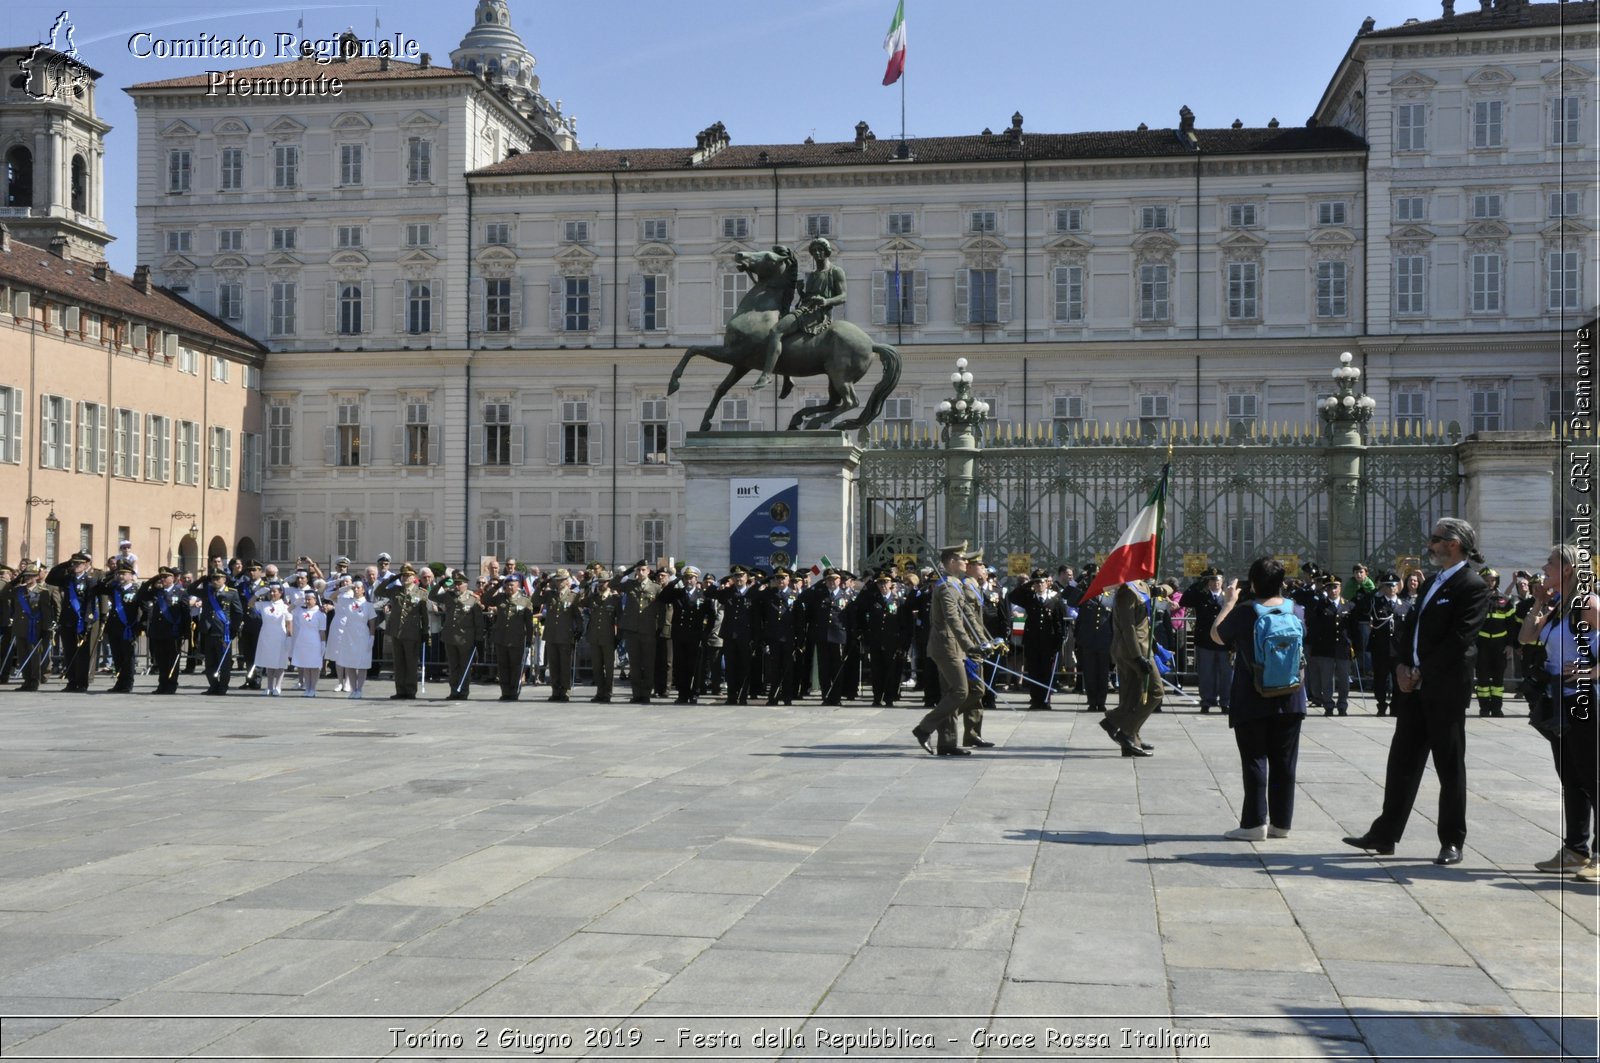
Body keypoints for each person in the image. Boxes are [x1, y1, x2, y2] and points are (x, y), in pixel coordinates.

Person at [1344, 517, 1491, 865]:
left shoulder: (1472, 585)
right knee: (1402, 763)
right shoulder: (1431, 583)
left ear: (1453, 544)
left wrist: (1422, 670)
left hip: (1444, 689)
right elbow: (1408, 628)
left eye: (1436, 539)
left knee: (1449, 766)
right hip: (1411, 687)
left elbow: (1461, 640)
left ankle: (1452, 840)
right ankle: (1385, 834)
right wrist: (1399, 666)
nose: (1431, 545)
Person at [1212, 557, 1308, 840]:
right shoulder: (1298, 610)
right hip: (1291, 696)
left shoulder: (1245, 612)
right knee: (1285, 761)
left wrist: (1228, 602)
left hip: (1252, 695)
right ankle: (1281, 824)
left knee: (1255, 759)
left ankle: (1254, 824)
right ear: (1282, 583)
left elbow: (1217, 635)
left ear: (1253, 584)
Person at [1520, 545, 1598, 881]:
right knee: (1571, 778)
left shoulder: (1588, 604)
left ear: (1567, 569)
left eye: (1550, 563)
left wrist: (1591, 673)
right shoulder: (1557, 605)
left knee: (1593, 778)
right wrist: (1539, 601)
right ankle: (1575, 850)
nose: (1544, 567)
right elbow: (1526, 637)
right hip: (1558, 702)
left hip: (1584, 700)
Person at [912, 544, 985, 756]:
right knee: (962, 691)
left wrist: (982, 642)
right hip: (946, 646)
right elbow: (953, 619)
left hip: (954, 646)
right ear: (952, 562)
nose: (966, 562)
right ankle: (924, 728)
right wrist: (970, 646)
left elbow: (969, 616)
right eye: (962, 559)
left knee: (955, 693)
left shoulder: (955, 584)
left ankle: (947, 743)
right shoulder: (946, 586)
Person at [754, 237, 846, 390]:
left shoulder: (836, 271)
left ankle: (767, 375)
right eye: (814, 250)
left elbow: (843, 296)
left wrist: (826, 301)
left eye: (820, 250)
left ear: (827, 252)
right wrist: (800, 291)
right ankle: (787, 378)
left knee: (776, 331)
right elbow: (807, 298)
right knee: (782, 328)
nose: (817, 253)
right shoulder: (813, 274)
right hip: (805, 309)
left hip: (816, 315)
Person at [1100, 579, 1163, 757]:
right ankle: (1123, 729)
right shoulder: (1127, 592)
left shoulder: (1141, 586)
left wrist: (1163, 590)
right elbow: (1129, 628)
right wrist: (1137, 656)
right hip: (1134, 652)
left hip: (1143, 647)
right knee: (1156, 692)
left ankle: (1130, 738)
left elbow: (1166, 589)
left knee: (1132, 697)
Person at [1009, 569, 1067, 709]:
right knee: (1034, 671)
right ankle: (1035, 700)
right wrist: (1028, 584)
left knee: (1047, 671)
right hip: (1032, 641)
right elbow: (1013, 597)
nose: (1039, 585)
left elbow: (1059, 621)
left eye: (1041, 582)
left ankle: (1046, 700)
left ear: (1047, 583)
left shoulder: (1055, 598)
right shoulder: (1029, 597)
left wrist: (1059, 641)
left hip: (1049, 641)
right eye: (1036, 583)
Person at [46, 552, 98, 691]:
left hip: (82, 621)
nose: (75, 566)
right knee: (69, 652)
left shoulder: (90, 581)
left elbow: (90, 603)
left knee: (82, 653)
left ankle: (82, 682)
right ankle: (71, 681)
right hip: (68, 620)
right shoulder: (68, 578)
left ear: (86, 565)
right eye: (73, 563)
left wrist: (88, 620)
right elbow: (50, 578)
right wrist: (66, 563)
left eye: (78, 563)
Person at [189, 570, 244, 695]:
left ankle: (223, 687)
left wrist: (233, 630)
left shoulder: (231, 593)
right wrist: (201, 580)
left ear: (224, 579)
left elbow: (238, 613)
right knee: (210, 662)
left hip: (223, 633)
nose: (215, 581)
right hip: (209, 632)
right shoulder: (207, 592)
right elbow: (191, 590)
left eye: (218, 578)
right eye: (213, 578)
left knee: (224, 663)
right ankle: (213, 686)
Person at [616, 560, 663, 704]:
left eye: (643, 570)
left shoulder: (656, 588)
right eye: (638, 570)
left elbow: (661, 610)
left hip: (649, 631)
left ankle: (646, 693)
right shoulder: (630, 585)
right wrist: (627, 571)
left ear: (648, 571)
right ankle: (636, 694)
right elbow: (612, 584)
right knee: (635, 665)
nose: (641, 572)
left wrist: (659, 629)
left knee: (648, 664)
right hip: (632, 631)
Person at [377, 564, 428, 700]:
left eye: (408, 575)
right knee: (398, 663)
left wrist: (425, 632)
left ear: (414, 578)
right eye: (403, 575)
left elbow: (425, 615)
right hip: (396, 631)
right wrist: (392, 579)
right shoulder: (395, 590)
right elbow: (379, 591)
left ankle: (410, 690)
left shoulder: (421, 593)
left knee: (410, 663)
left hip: (412, 632)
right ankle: (400, 690)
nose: (405, 578)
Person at [484, 574, 536, 701]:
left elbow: (528, 623)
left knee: (515, 666)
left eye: (512, 585)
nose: (509, 587)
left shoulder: (525, 601)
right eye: (507, 585)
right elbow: (485, 599)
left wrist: (530, 639)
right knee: (503, 666)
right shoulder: (500, 597)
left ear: (518, 585)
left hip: (516, 639)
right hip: (501, 638)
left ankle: (514, 691)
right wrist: (496, 586)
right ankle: (505, 691)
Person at [1474, 568, 1518, 717]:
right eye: (1486, 580)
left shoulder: (1504, 600)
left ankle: (1497, 708)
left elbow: (1512, 625)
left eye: (1492, 580)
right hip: (1482, 644)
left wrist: (1510, 645)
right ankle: (1484, 708)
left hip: (1500, 645)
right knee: (1482, 678)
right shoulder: (1476, 599)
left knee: (1498, 679)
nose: (1489, 583)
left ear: (1496, 581)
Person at [1186, 569, 1230, 714]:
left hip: (1224, 642)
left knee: (1225, 673)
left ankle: (1225, 701)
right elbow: (1184, 601)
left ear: (1223, 581)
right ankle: (1207, 701)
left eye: (1218, 580)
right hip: (1205, 641)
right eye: (1212, 580)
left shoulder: (1228, 598)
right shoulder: (1201, 596)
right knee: (1206, 672)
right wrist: (1197, 584)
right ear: (1207, 582)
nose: (1216, 582)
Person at [325, 580, 379, 698]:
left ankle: (359, 689)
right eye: (354, 588)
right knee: (349, 663)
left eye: (359, 588)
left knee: (361, 664)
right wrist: (344, 588)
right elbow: (331, 596)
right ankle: (353, 689)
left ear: (363, 590)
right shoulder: (346, 601)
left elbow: (372, 623)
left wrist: (372, 637)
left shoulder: (368, 605)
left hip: (362, 636)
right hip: (348, 635)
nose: (356, 589)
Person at [137, 567, 187, 694]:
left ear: (173, 578)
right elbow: (141, 594)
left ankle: (171, 685)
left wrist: (186, 631)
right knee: (161, 660)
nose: (163, 579)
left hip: (173, 632)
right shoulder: (156, 592)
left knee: (172, 660)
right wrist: (150, 581)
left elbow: (186, 613)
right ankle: (162, 684)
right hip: (158, 632)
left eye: (166, 577)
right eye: (161, 577)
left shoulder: (180, 592)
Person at [437, 574, 486, 700]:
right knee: (453, 666)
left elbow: (478, 622)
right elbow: (432, 596)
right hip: (450, 637)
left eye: (460, 584)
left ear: (466, 585)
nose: (457, 586)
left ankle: (463, 691)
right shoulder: (449, 596)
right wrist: (441, 584)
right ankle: (454, 691)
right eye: (455, 583)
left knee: (465, 666)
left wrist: (478, 639)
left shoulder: (473, 599)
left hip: (466, 638)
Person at [8, 564, 57, 691]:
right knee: (22, 655)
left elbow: (46, 612)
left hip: (35, 629)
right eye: (26, 576)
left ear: (36, 577)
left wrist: (46, 629)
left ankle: (35, 681)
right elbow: (8, 590)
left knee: (35, 656)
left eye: (30, 576)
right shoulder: (18, 591)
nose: (27, 578)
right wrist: (18, 576)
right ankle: (26, 680)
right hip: (20, 628)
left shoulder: (43, 592)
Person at [97, 561, 144, 693]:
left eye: (124, 573)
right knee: (117, 656)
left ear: (131, 575)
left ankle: (128, 683)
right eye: (119, 573)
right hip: (114, 628)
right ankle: (119, 682)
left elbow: (144, 609)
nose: (121, 576)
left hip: (128, 628)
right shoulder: (114, 588)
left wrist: (140, 626)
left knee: (128, 657)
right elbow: (99, 588)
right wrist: (111, 575)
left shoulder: (137, 590)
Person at [539, 569, 585, 703]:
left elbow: (578, 616)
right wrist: (542, 584)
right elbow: (536, 600)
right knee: (553, 666)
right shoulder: (550, 595)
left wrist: (579, 631)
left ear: (567, 581)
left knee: (565, 665)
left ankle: (565, 691)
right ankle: (555, 691)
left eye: (561, 580)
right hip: (552, 635)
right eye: (557, 580)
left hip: (566, 635)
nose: (559, 582)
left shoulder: (573, 596)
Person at [1367, 572, 1404, 716]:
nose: (1391, 588)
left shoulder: (1404, 605)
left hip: (1398, 649)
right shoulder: (1376, 603)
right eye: (1388, 586)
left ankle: (1396, 705)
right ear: (1383, 587)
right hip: (1380, 647)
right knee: (1380, 678)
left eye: (1394, 585)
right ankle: (1381, 704)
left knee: (1397, 679)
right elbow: (1373, 615)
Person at [583, 570, 621, 702]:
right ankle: (600, 691)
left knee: (609, 668)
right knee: (597, 666)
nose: (601, 584)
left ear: (609, 583)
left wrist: (618, 637)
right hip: (594, 637)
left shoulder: (614, 599)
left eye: (603, 582)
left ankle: (608, 692)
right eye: (599, 582)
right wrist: (586, 588)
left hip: (608, 637)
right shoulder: (594, 597)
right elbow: (580, 603)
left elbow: (619, 619)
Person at [250, 582, 293, 696]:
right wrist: (257, 594)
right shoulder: (264, 604)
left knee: (280, 663)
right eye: (271, 591)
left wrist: (289, 638)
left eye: (275, 591)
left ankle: (278, 687)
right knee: (269, 663)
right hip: (266, 635)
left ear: (280, 593)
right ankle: (269, 687)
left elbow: (289, 624)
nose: (272, 593)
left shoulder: (285, 606)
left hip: (280, 636)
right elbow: (250, 604)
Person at [289, 589, 327, 696]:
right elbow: (288, 610)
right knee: (305, 665)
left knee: (314, 666)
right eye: (306, 599)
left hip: (315, 640)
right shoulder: (301, 611)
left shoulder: (320, 614)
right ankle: (307, 688)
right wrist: (297, 602)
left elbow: (322, 631)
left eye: (309, 599)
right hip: (302, 640)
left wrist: (323, 644)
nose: (307, 601)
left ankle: (313, 688)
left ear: (315, 600)